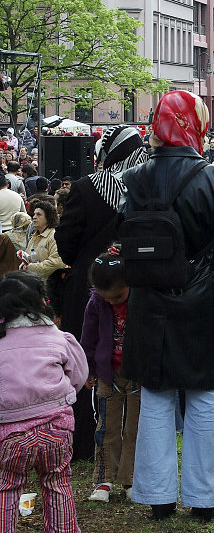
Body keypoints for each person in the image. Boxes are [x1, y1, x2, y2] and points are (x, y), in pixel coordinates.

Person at [119, 90, 214, 522]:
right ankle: (205, 499)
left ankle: (157, 497)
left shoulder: (134, 178)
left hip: (151, 300)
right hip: (204, 300)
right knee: (206, 396)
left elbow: (125, 231)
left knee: (155, 397)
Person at [55, 125, 147, 459]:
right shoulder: (149, 186)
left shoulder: (86, 188)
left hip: (88, 285)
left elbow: (66, 241)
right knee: (130, 361)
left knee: (84, 356)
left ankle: (82, 442)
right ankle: (132, 447)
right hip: (137, 288)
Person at [0, 271, 88, 533]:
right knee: (57, 480)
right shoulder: (58, 337)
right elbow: (78, 376)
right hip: (57, 427)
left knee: (7, 486)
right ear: (42, 301)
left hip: (10, 432)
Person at [80, 250, 140, 503]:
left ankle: (131, 479)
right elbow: (88, 338)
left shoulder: (141, 299)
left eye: (117, 296)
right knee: (107, 427)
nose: (113, 302)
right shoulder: (96, 303)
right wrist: (89, 369)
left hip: (138, 373)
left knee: (135, 428)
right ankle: (103, 479)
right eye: (107, 298)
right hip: (107, 374)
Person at [20, 198, 66, 282]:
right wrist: (23, 265)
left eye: (39, 215)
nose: (34, 217)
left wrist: (30, 267)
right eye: (34, 214)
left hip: (50, 285)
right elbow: (27, 256)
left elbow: (56, 263)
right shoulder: (35, 236)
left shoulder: (54, 236)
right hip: (33, 282)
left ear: (48, 217)